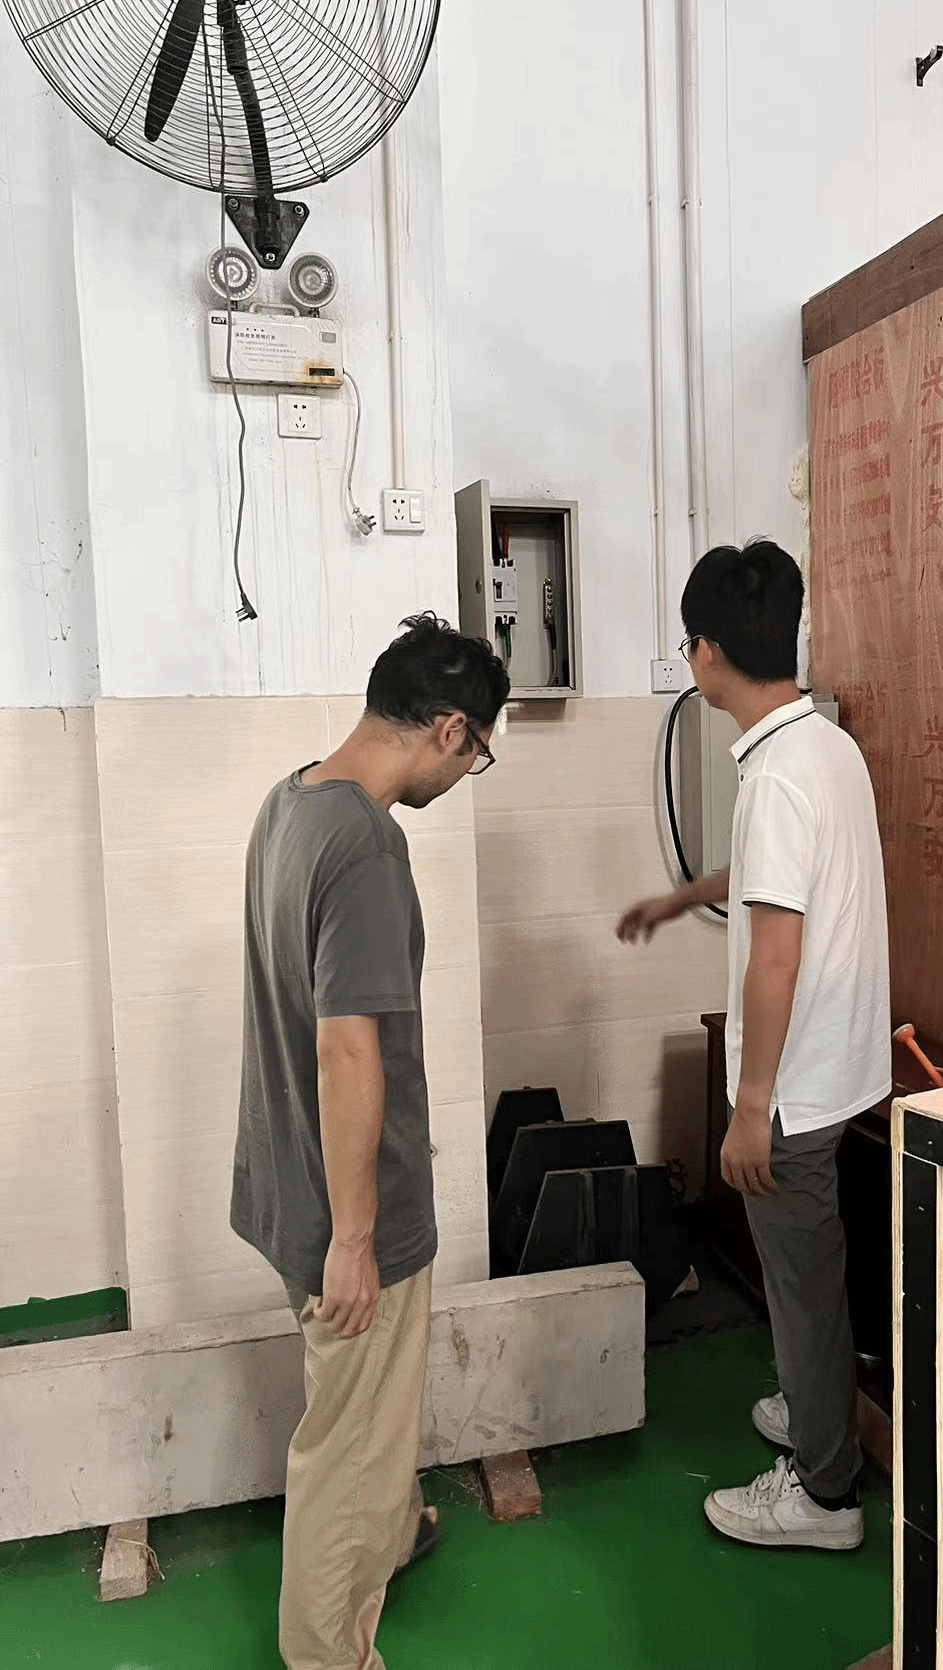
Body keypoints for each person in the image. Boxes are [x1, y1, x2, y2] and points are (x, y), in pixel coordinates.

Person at [230, 612, 509, 1669]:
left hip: (284, 1179)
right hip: (349, 1211)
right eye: (476, 753)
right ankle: (328, 1653)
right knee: (346, 1448)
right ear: (448, 728)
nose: (468, 771)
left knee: (366, 1420)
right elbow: (348, 1049)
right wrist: (355, 1239)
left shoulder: (289, 802)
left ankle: (389, 1533)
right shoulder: (366, 848)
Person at [617, 540, 889, 1552]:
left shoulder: (773, 776)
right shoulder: (823, 746)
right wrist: (684, 897)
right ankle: (813, 1404)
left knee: (803, 1287)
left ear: (705, 652)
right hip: (844, 1065)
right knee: (813, 1272)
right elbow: (778, 875)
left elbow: (773, 959)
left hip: (794, 1088)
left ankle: (823, 1493)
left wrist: (748, 1108)